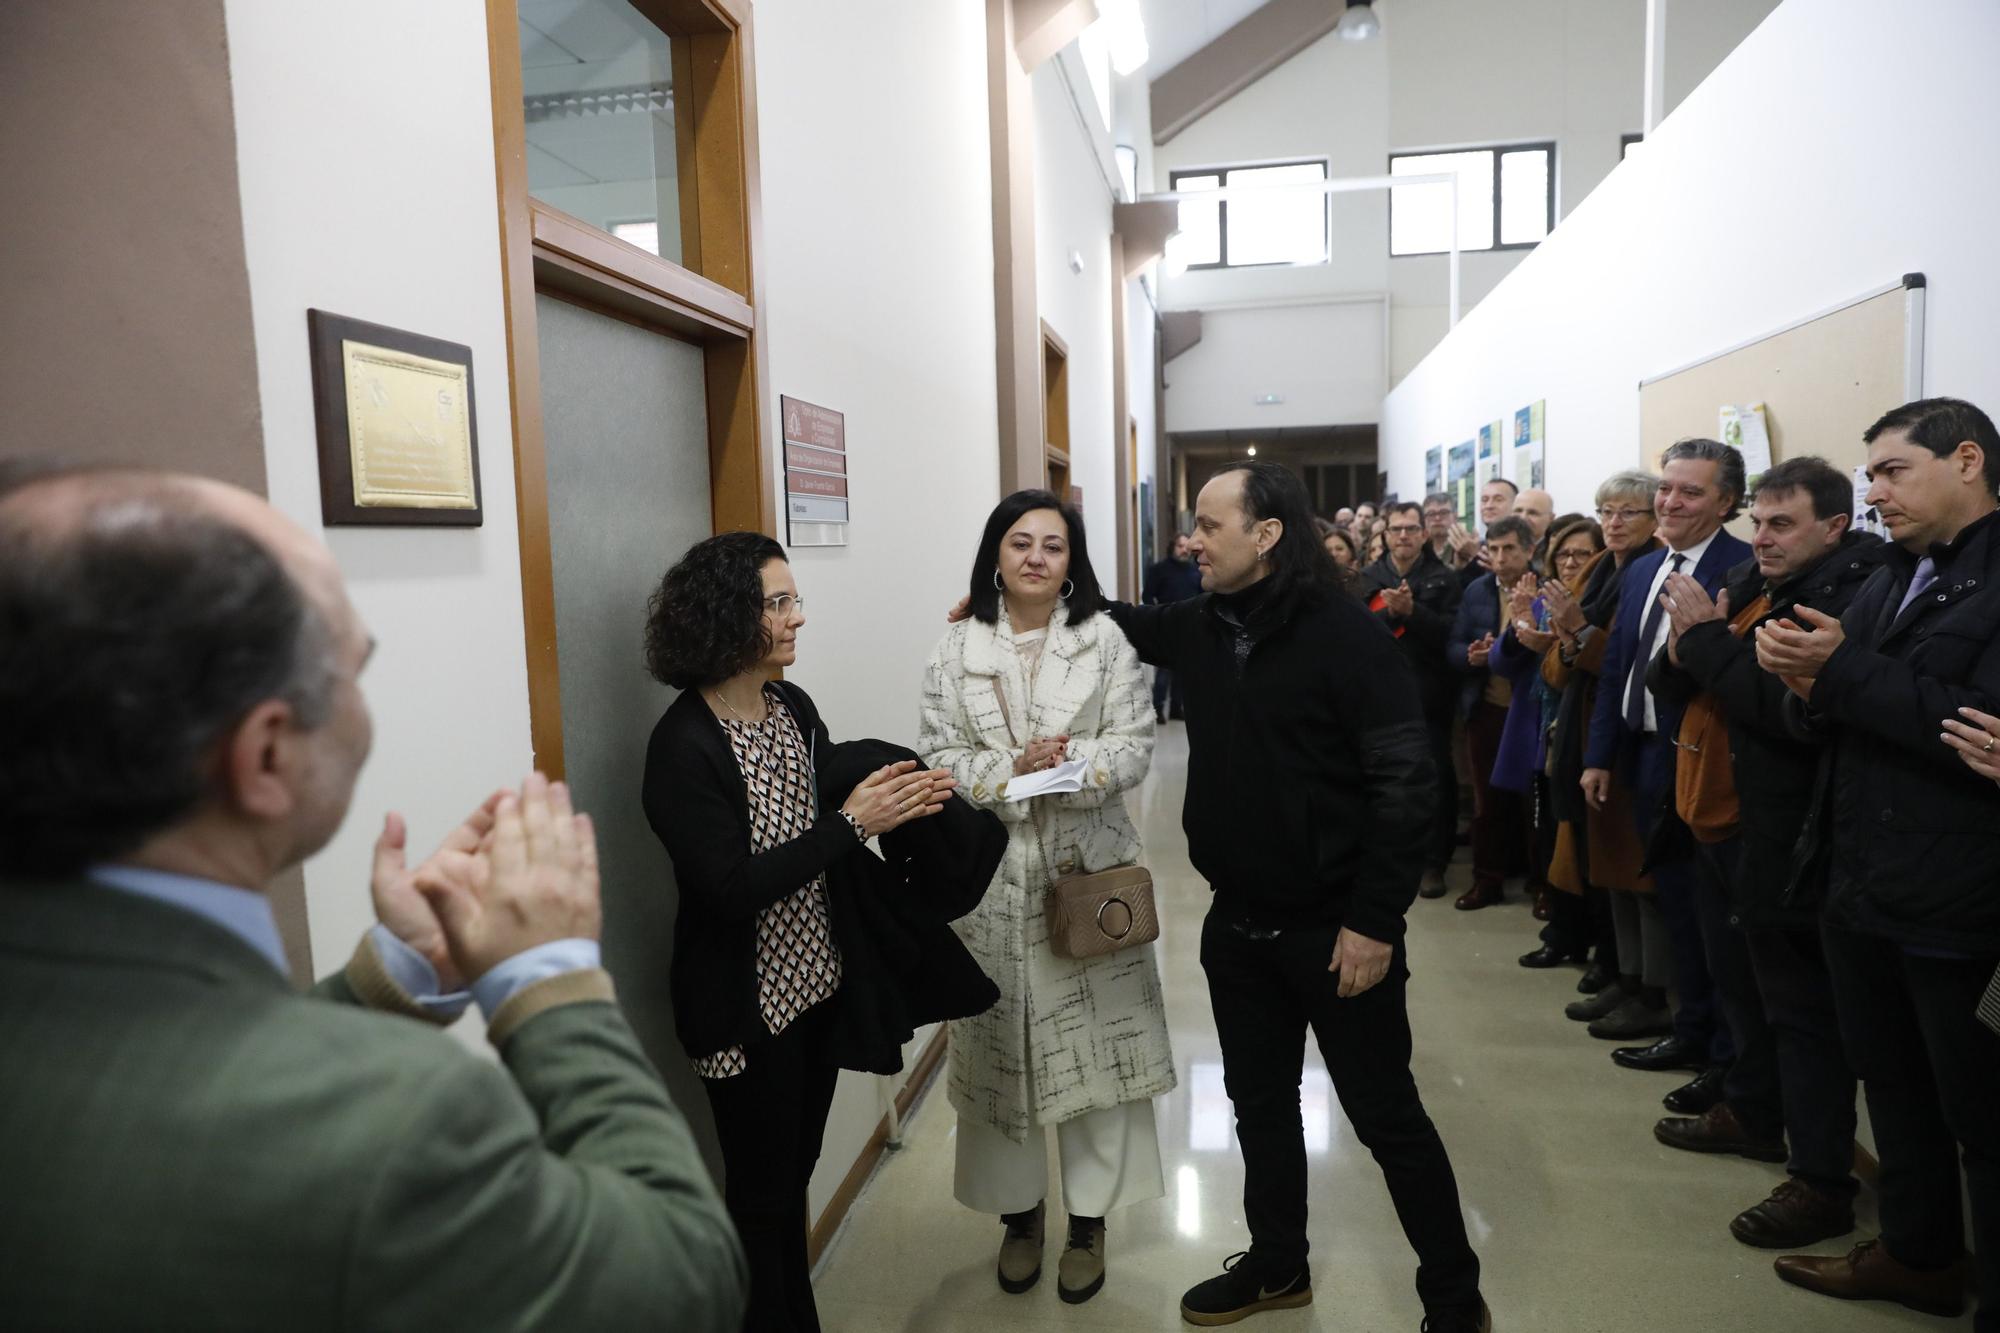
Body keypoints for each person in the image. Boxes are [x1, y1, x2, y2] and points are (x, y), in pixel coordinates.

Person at [0, 465, 748, 1331]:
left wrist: (385, 980)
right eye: (356, 667)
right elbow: (682, 1280)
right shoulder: (406, 1122)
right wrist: (552, 986)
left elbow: (145, 1104)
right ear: (268, 756)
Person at [976, 463, 1487, 1329]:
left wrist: (1373, 921)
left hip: (1335, 930)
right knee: (1258, 1107)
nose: (1192, 542)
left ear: (1267, 533)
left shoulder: (1347, 635)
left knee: (1386, 1116)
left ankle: (1453, 1295)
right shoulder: (1205, 624)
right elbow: (1115, 616)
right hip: (1238, 924)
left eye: (1210, 527)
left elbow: (1409, 783)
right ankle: (1278, 1264)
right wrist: (1004, 612)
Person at [640, 531, 989, 1332]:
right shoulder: (683, 745)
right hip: (742, 1014)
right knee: (761, 1198)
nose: (801, 616)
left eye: (794, 599)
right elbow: (729, 889)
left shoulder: (788, 705)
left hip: (813, 993)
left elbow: (820, 774)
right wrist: (849, 824)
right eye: (780, 602)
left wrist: (893, 783)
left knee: (790, 1176)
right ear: (731, 615)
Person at [1756, 398, 2000, 1325]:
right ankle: (1917, 1251)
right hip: (1862, 874)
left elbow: (1971, 727)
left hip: (1958, 890)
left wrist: (1838, 674)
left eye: (1893, 471)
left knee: (1981, 1114)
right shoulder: (1891, 573)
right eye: (1872, 476)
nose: (1875, 494)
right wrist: (1803, 680)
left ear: (1967, 459)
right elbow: (1837, 702)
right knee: (1892, 1088)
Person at [918, 490, 1175, 1307]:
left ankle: (1090, 1223)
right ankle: (1019, 1216)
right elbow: (939, 754)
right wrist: (1014, 771)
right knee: (1004, 1053)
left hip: (1086, 871)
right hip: (991, 879)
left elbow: (1135, 746)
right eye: (1019, 541)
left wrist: (1069, 762)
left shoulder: (1104, 641)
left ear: (1072, 561)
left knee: (1095, 1048)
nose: (1035, 556)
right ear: (995, 553)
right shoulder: (955, 646)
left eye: (1053, 546)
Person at [1645, 456, 1883, 1249]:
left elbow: (1789, 710)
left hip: (1789, 834)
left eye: (1782, 524)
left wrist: (1708, 647)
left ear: (1835, 526)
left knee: (1805, 1014)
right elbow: (1675, 672)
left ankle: (1820, 1179)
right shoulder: (1756, 579)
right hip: (1728, 818)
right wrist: (1699, 647)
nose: (1764, 537)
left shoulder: (1853, 589)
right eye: (1760, 521)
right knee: (1748, 987)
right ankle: (1754, 1107)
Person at [1581, 440, 1752, 1078]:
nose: (1671, 502)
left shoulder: (1742, 570)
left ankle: (1724, 1057)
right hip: (1646, 757)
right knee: (1674, 903)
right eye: (1667, 488)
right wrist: (1600, 754)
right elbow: (1618, 670)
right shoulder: (1642, 568)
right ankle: (1690, 1029)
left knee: (1715, 921)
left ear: (1727, 503)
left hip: (1704, 762)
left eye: (1691, 492)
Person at [1538, 475, 1660, 1016]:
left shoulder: (1652, 568)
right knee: (1609, 868)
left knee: (1635, 869)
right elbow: (1565, 661)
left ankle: (1649, 989)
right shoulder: (1600, 570)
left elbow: (1628, 661)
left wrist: (1577, 631)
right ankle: (1623, 973)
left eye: (1627, 512)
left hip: (1627, 735)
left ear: (1655, 518)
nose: (1614, 522)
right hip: (1584, 726)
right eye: (1606, 511)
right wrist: (1569, 638)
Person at [1358, 501, 1466, 898]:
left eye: (1411, 529)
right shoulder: (1366, 576)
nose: (1403, 536)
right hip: (1375, 698)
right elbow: (1354, 633)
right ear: (1384, 535)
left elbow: (1452, 635)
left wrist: (1413, 612)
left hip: (1429, 697)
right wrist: (1392, 615)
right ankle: (1384, 859)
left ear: (1423, 534)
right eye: (1396, 529)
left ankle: (1433, 863)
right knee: (1376, 781)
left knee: (1435, 781)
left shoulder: (1444, 579)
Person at [1447, 515, 1538, 911]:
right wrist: (1473, 655)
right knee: (1488, 804)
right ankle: (1487, 881)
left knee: (1535, 804)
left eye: (1510, 550)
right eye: (1494, 549)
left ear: (1529, 550)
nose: (1500, 559)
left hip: (1530, 709)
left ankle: (1543, 886)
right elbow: (1451, 647)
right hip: (1486, 707)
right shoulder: (1476, 591)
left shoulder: (1545, 590)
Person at [1144, 531, 1204, 722]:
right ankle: (1158, 708)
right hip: (1167, 624)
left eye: (1187, 546)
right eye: (1180, 546)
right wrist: (1155, 616)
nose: (1184, 550)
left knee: (1183, 672)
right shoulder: (1159, 570)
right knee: (1164, 671)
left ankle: (1177, 708)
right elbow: (1148, 595)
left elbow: (1204, 595)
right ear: (1172, 548)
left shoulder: (1196, 570)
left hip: (1191, 625)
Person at [1425, 490, 1480, 572]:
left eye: (1443, 513)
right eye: (1431, 514)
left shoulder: (1467, 546)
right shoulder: (1417, 549)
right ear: (1423, 519)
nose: (1437, 518)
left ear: (1455, 516)